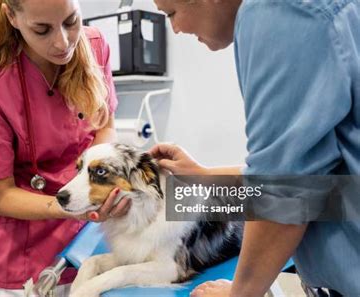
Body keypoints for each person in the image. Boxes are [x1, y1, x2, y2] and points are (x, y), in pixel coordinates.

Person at [152, 0, 360, 296]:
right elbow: (318, 175)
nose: (175, 29)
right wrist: (204, 176)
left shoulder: (276, 10)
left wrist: (240, 293)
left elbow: (285, 193)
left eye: (171, 13)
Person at [0, 0, 130, 295]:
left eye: (71, 21)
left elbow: (105, 126)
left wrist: (96, 187)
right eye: (42, 29)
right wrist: (74, 204)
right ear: (12, 16)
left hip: (89, 245)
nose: (63, 42)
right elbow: (1, 196)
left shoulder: (96, 46)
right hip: (24, 261)